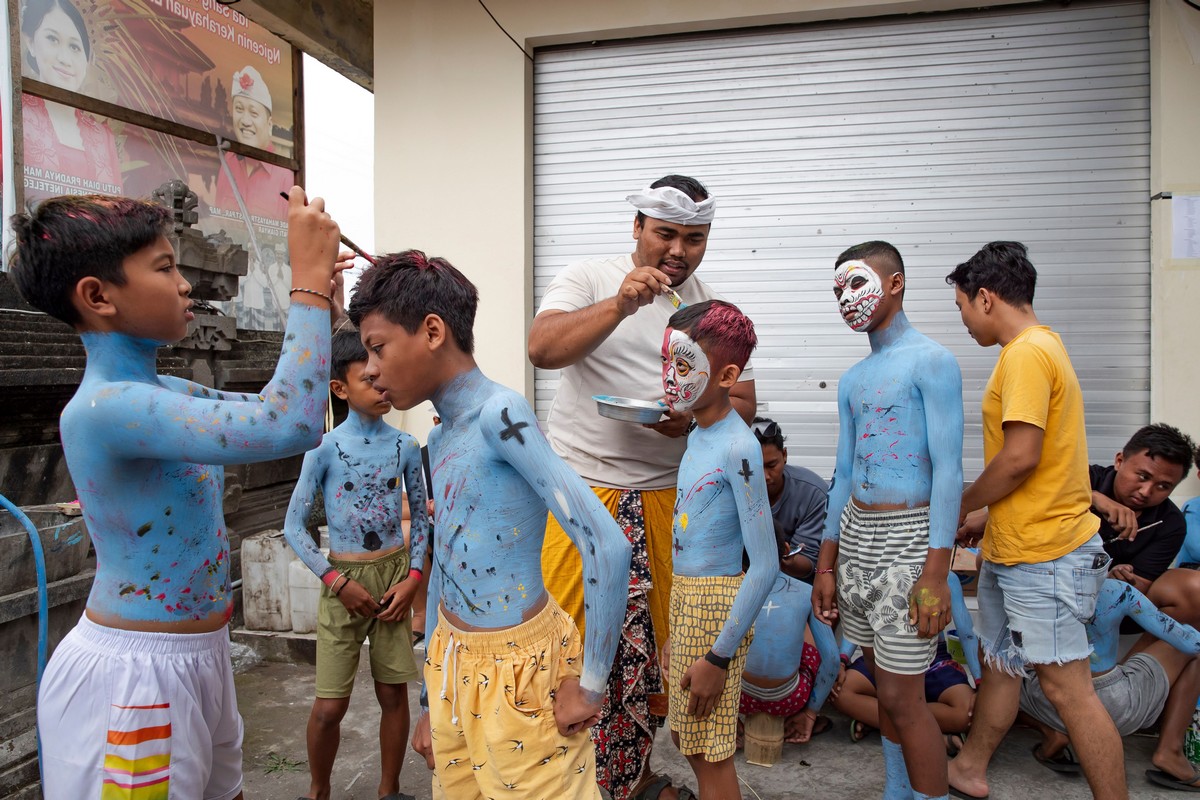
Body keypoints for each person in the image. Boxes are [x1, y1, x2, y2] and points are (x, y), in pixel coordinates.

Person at [13, 189, 342, 800]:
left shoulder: (162, 393)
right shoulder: (108, 408)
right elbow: (286, 423)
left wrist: (323, 308)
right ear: (97, 296)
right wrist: (307, 287)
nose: (185, 284)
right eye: (164, 268)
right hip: (137, 678)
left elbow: (287, 413)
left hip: (199, 655)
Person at [347, 250, 632, 800]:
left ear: (432, 331)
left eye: (377, 348)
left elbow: (605, 544)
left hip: (522, 671)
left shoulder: (501, 415)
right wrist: (434, 697)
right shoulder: (440, 435)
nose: (370, 369)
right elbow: (446, 568)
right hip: (454, 661)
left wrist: (593, 686)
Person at [528, 174, 755, 800]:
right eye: (666, 234)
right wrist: (621, 306)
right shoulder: (590, 279)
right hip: (585, 493)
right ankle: (566, 782)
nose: (679, 251)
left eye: (695, 238)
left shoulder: (708, 308)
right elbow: (542, 349)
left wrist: (692, 416)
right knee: (571, 645)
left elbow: (742, 396)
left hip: (668, 499)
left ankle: (631, 775)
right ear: (637, 229)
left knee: (654, 651)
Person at [946, 241, 1122, 800]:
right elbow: (1044, 464)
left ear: (986, 297)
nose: (966, 322)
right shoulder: (1046, 347)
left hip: (1044, 554)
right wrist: (989, 519)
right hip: (1017, 545)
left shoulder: (1023, 354)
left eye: (963, 309)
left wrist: (965, 503)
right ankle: (969, 767)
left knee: (1069, 691)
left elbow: (1021, 456)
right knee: (1001, 664)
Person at [812, 241, 964, 800]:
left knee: (904, 699)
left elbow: (949, 472)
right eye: (837, 291)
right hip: (857, 541)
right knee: (883, 687)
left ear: (895, 283)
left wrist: (936, 571)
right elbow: (844, 471)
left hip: (910, 541)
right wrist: (827, 562)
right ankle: (898, 793)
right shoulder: (854, 379)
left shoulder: (933, 362)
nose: (845, 299)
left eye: (855, 284)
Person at [283, 330, 429, 800]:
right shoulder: (322, 450)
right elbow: (293, 527)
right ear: (339, 388)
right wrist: (336, 581)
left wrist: (412, 579)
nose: (381, 385)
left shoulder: (406, 445)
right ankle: (318, 790)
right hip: (343, 584)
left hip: (393, 578)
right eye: (368, 378)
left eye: (382, 376)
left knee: (393, 694)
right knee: (329, 706)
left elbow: (422, 520)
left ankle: (389, 790)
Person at [662, 299, 775, 799]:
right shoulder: (697, 434)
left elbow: (766, 566)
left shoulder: (739, 447)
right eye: (667, 361)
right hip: (690, 602)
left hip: (714, 610)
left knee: (711, 755)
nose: (670, 375)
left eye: (684, 365)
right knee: (690, 741)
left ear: (727, 375)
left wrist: (718, 656)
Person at [1019, 580, 1200, 792]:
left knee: (1001, 674)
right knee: (1191, 652)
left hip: (1046, 700)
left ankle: (1051, 732)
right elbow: (1188, 642)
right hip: (1118, 706)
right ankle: (1170, 751)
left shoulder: (1026, 584)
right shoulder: (1114, 589)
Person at [835, 573, 980, 753]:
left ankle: (878, 719)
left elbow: (966, 631)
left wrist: (980, 683)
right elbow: (857, 624)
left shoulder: (946, 577)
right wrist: (842, 661)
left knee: (968, 712)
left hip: (932, 660)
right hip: (882, 656)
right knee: (839, 691)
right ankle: (932, 738)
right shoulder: (874, 568)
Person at [1090, 425, 1200, 634]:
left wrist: (1115, 579)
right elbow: (1036, 500)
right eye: (1142, 476)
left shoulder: (1171, 523)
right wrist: (1093, 498)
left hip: (1113, 610)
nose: (1146, 491)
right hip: (1049, 591)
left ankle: (1139, 666)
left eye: (1163, 487)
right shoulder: (1083, 479)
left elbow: (1137, 588)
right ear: (1119, 461)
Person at [738, 525, 840, 744]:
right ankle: (806, 715)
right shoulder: (806, 592)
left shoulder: (729, 589)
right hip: (788, 699)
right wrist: (811, 711)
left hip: (738, 698)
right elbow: (831, 660)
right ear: (786, 549)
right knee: (806, 642)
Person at [21, 0, 122, 195]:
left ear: (87, 59)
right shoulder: (15, 113)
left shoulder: (103, 137)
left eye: (75, 47)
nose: (65, 59)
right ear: (31, 43)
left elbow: (116, 213)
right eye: (52, 39)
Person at [751, 416, 829, 583]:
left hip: (795, 585)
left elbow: (809, 564)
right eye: (754, 468)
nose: (764, 476)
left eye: (772, 465)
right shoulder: (724, 493)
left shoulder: (813, 494)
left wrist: (786, 559)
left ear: (784, 455)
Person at [213, 65, 293, 220]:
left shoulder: (285, 177)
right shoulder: (228, 163)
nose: (245, 121)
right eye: (239, 109)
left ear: (269, 125)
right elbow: (217, 222)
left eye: (254, 113)